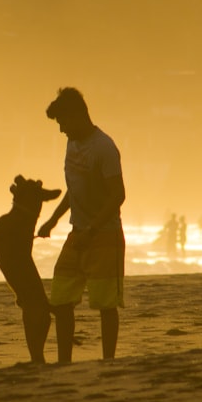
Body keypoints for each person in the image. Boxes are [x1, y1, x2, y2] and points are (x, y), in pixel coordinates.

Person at [38, 87, 126, 362]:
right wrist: (53, 219)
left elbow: (118, 195)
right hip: (78, 233)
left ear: (78, 116)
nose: (61, 129)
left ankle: (108, 361)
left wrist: (92, 230)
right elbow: (74, 188)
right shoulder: (72, 143)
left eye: (63, 122)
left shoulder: (104, 147)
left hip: (105, 236)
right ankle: (64, 361)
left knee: (105, 305)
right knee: (61, 299)